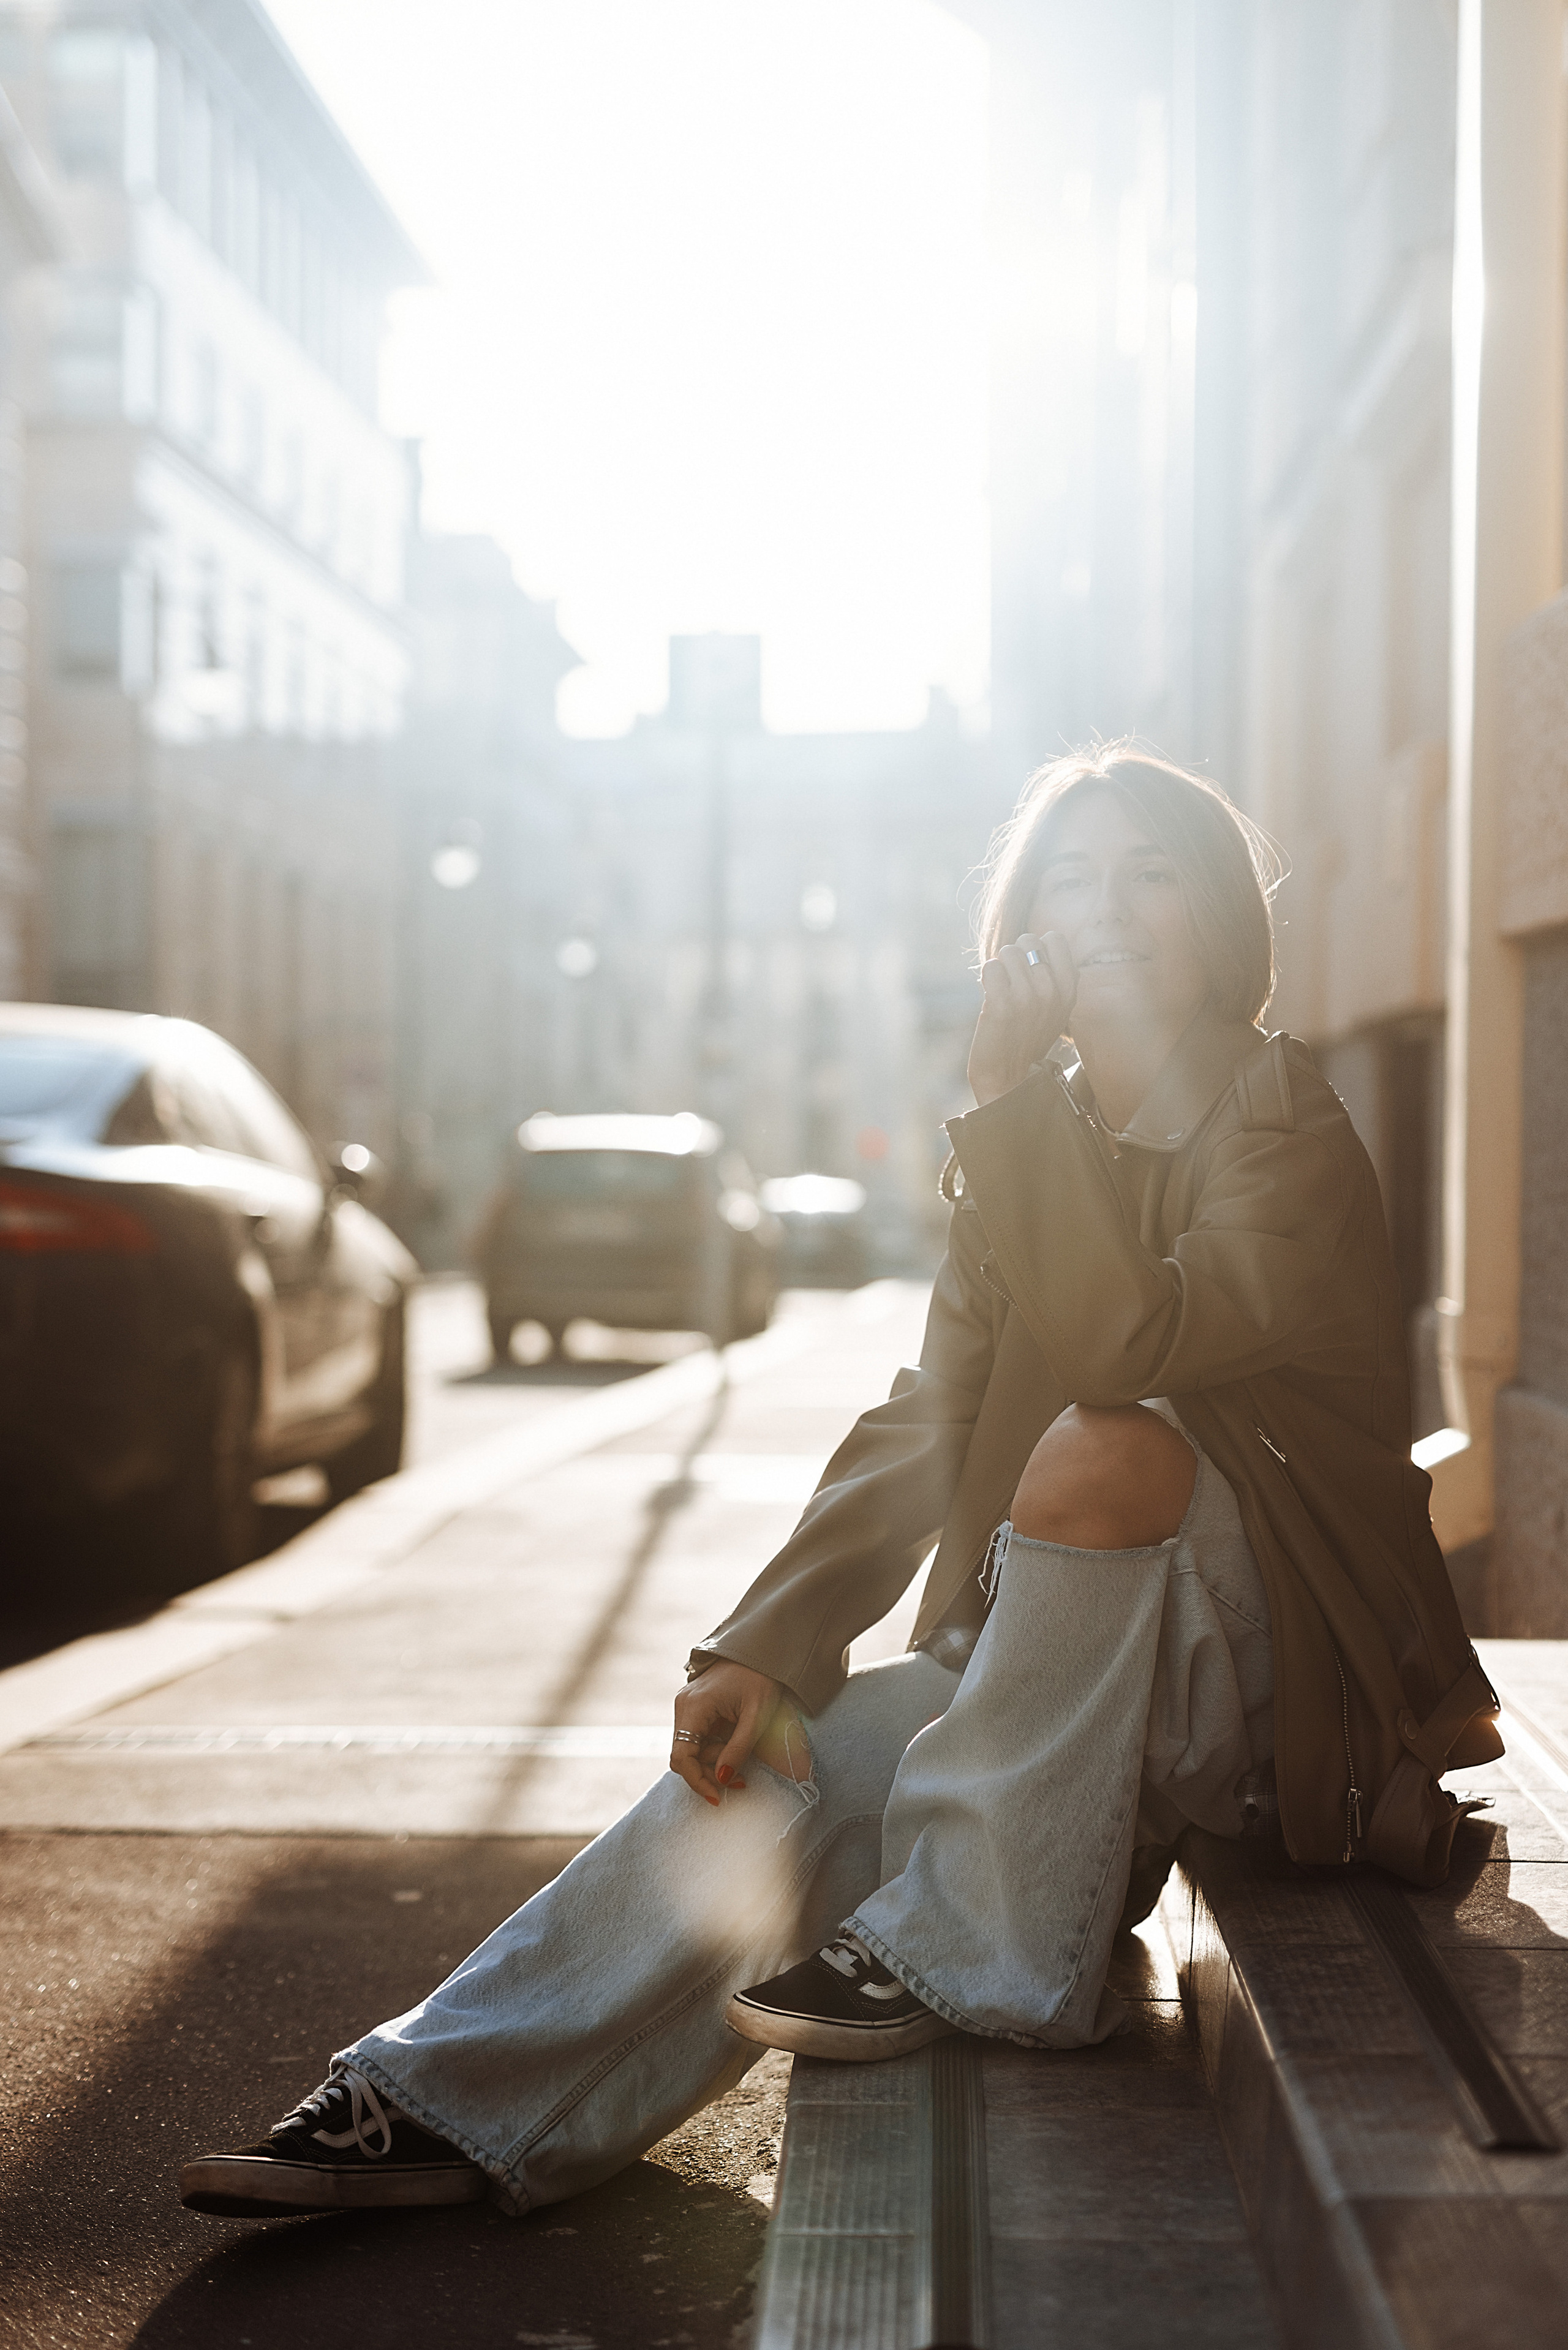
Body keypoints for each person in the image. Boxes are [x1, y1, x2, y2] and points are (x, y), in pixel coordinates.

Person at [179, 745, 1500, 2221]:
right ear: (1024, 926)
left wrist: (1004, 1109)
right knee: (787, 1765)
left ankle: (976, 1952)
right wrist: (766, 1640)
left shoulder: (1279, 1121)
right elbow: (926, 1412)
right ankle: (446, 2097)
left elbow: (1129, 1345)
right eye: (1070, 874)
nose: (1109, 907)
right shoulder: (1032, 1144)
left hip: (1260, 1687)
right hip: (1056, 1696)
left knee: (1106, 1446)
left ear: (1215, 914)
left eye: (1150, 872)